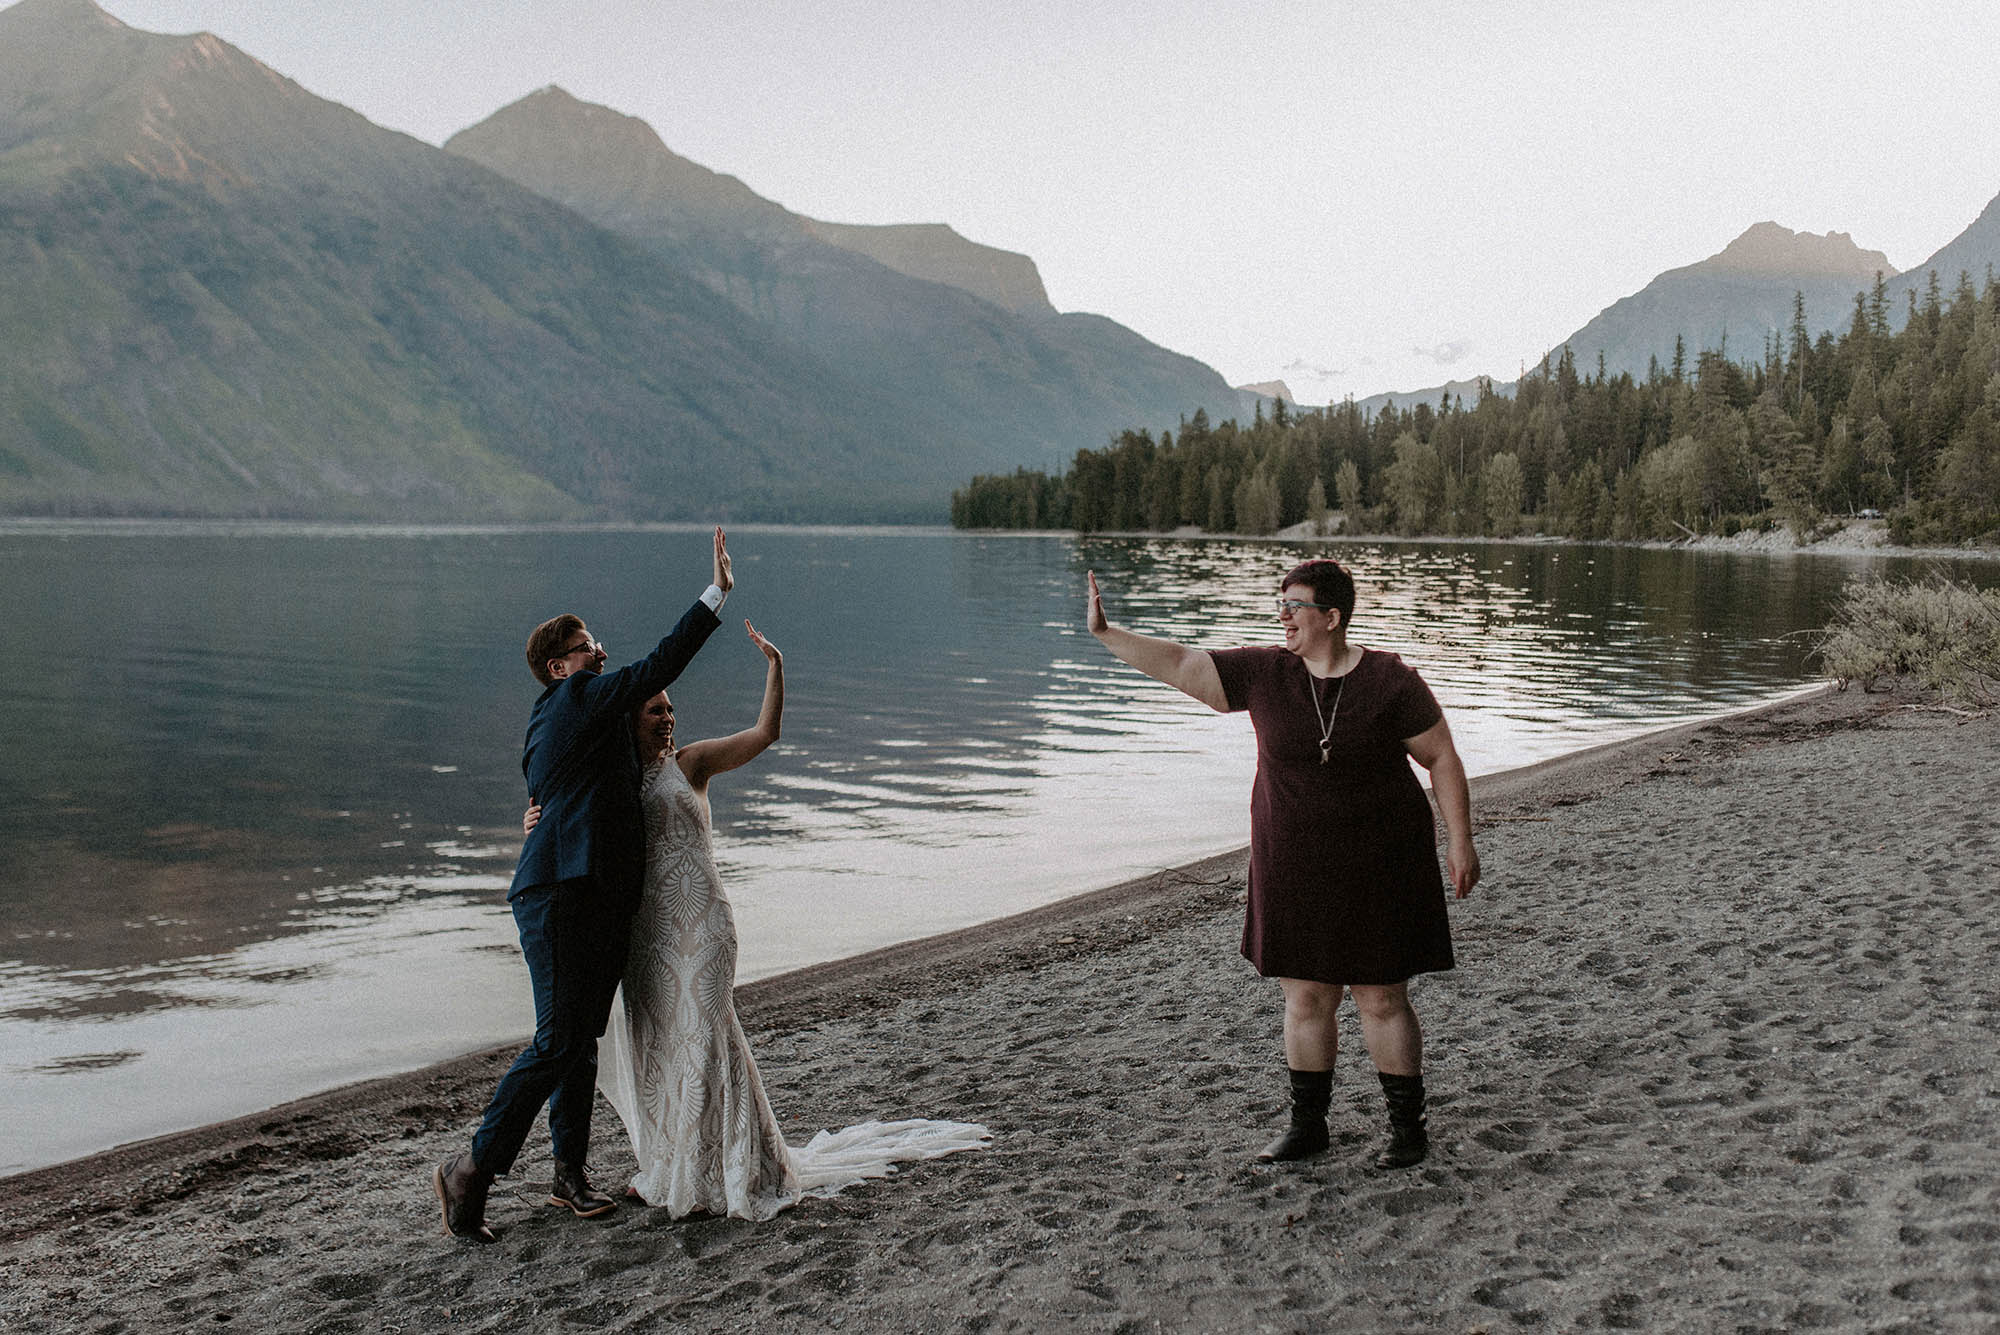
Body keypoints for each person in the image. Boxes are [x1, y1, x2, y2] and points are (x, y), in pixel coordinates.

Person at [527, 621, 989, 1219]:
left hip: (704, 927)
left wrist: (775, 665)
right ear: (625, 719)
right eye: (653, 711)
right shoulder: (611, 781)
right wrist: (536, 823)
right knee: (664, 1049)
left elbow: (765, 733)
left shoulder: (690, 764)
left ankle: (727, 1166)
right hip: (648, 935)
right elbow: (566, 807)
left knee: (705, 1039)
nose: (666, 718)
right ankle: (676, 1162)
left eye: (669, 708)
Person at [1085, 557, 1479, 1168]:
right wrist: (1109, 635)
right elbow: (1185, 664)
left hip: (1382, 862)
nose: (1282, 616)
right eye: (1281, 604)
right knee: (1307, 996)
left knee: (1380, 997)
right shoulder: (1267, 672)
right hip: (1293, 863)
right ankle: (1308, 1127)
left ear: (1331, 616)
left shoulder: (1390, 681)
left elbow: (1442, 758)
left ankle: (1407, 1131)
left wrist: (1461, 841)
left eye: (1294, 606)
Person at [432, 527, 733, 1243]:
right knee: (561, 1037)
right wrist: (715, 592)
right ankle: (470, 1167)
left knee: (574, 1039)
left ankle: (568, 1175)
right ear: (560, 663)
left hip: (578, 889)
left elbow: (545, 782)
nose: (602, 652)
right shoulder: (581, 697)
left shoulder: (569, 718)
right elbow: (660, 663)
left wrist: (539, 809)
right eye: (590, 646)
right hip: (562, 891)